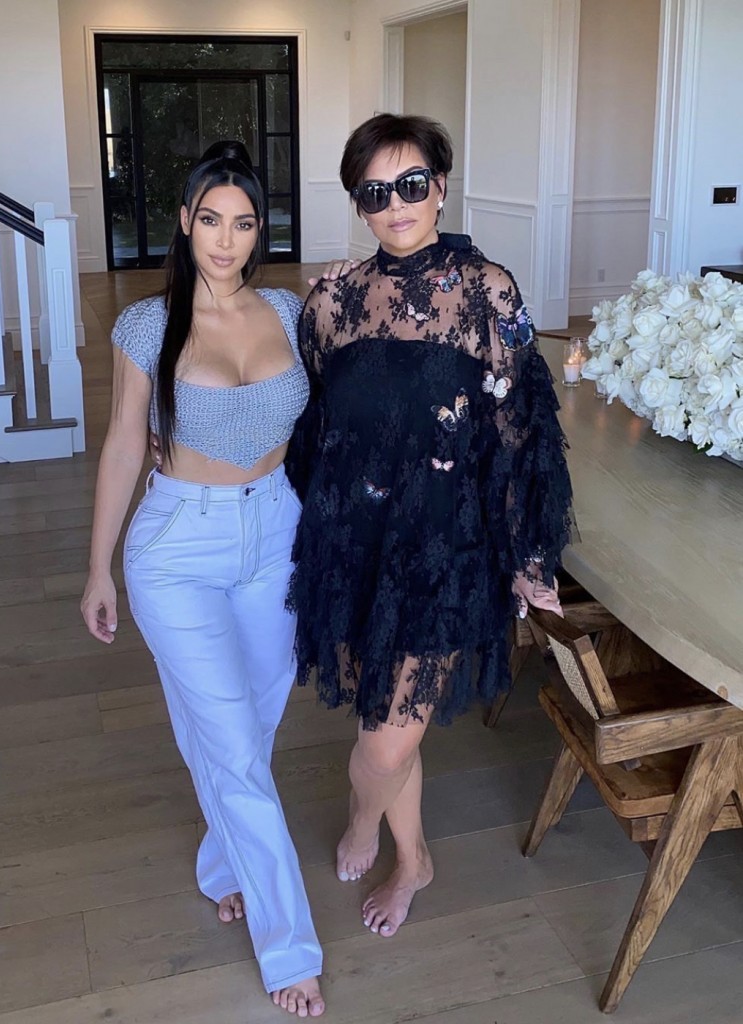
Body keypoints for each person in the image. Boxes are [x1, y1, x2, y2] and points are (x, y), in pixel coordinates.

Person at [285, 114, 574, 939]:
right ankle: (412, 859)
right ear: (358, 204)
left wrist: (528, 555)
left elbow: (521, 428)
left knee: (382, 743)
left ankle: (364, 819)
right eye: (374, 193)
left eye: (411, 184)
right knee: (381, 719)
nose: (396, 205)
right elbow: (315, 421)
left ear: (440, 187)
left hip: (446, 548)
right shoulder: (332, 300)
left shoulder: (487, 291)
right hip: (356, 542)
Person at [80, 141, 326, 1018]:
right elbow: (123, 445)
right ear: (184, 222)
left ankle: (224, 865)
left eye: (244, 222)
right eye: (211, 219)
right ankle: (288, 946)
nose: (226, 240)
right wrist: (97, 568)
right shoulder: (148, 326)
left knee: (249, 723)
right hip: (179, 545)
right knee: (232, 744)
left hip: (277, 530)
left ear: (262, 230)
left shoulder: (289, 311)